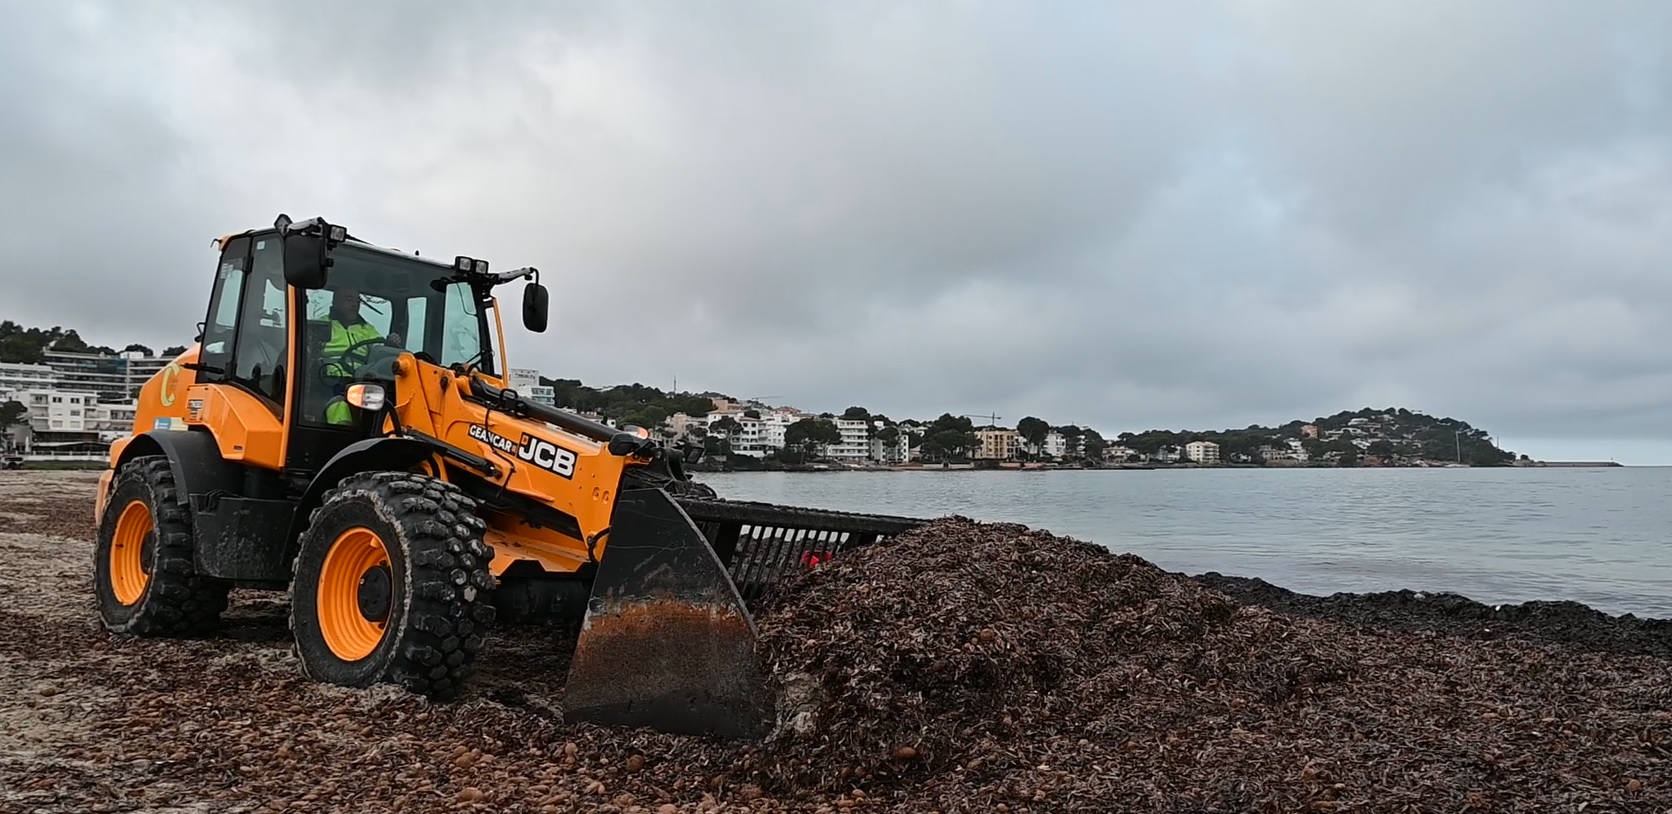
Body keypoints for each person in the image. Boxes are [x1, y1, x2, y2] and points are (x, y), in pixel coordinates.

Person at [319, 287, 398, 425]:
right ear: (335, 302)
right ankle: (341, 435)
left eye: (357, 301)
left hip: (362, 381)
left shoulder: (367, 329)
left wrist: (392, 343)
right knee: (339, 404)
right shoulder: (322, 325)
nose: (354, 304)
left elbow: (380, 351)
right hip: (330, 380)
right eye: (349, 299)